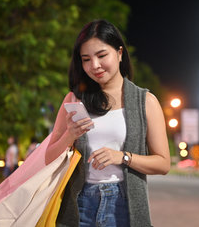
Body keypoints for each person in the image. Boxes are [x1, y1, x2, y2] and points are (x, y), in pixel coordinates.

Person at [45, 19, 170, 227]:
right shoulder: (74, 99)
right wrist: (69, 135)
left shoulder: (145, 102)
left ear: (120, 53)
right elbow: (49, 157)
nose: (94, 65)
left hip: (124, 205)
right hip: (80, 204)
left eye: (102, 55)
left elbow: (163, 163)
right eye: (86, 59)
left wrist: (122, 157)